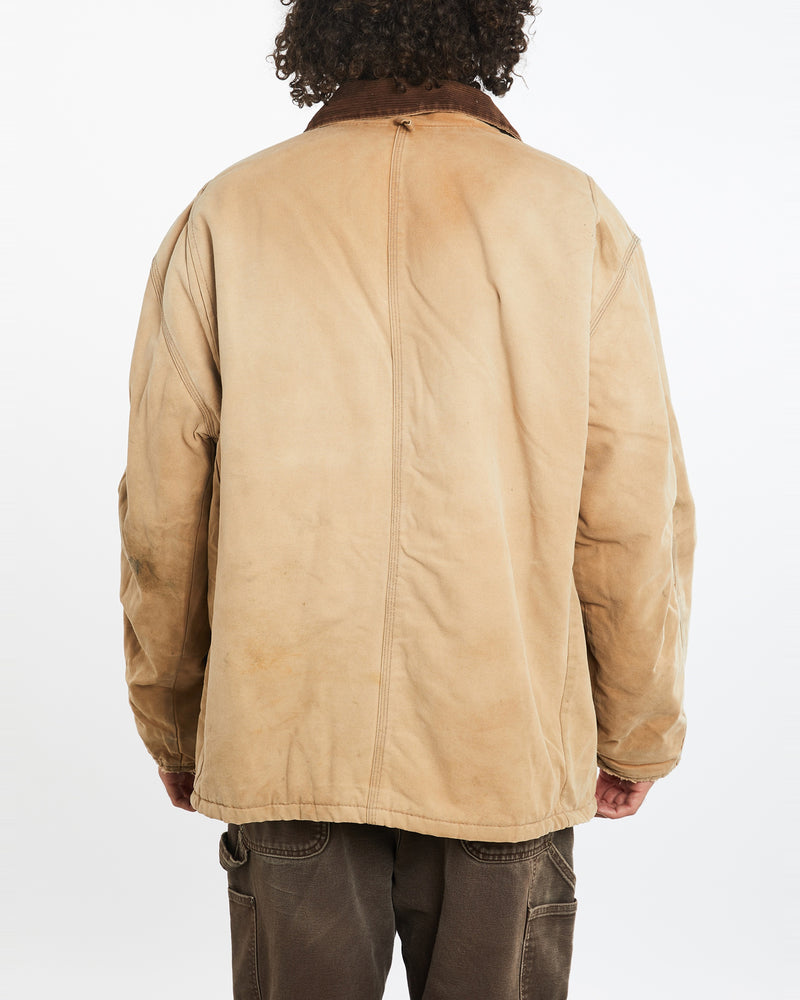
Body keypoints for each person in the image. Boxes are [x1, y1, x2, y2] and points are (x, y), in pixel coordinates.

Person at [117, 2, 696, 997]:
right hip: (501, 744)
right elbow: (632, 508)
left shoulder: (229, 211)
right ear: (489, 28)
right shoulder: (572, 216)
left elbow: (163, 508)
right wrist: (637, 729)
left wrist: (174, 719)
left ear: (322, 31)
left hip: (289, 734)